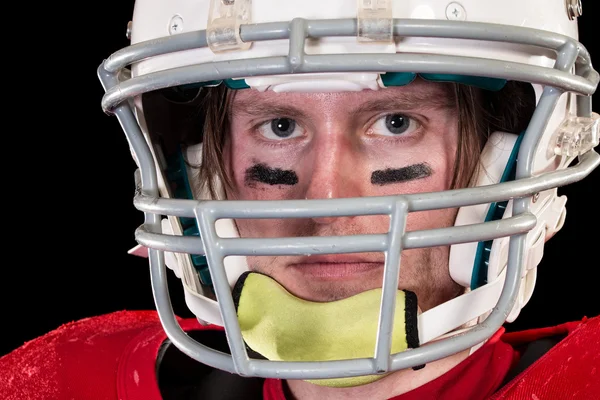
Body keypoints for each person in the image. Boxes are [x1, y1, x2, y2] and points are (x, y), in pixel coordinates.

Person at [2, 0, 599, 399]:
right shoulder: (74, 380)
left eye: (396, 122)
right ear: (201, 173)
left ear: (518, 158)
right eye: (280, 128)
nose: (328, 201)